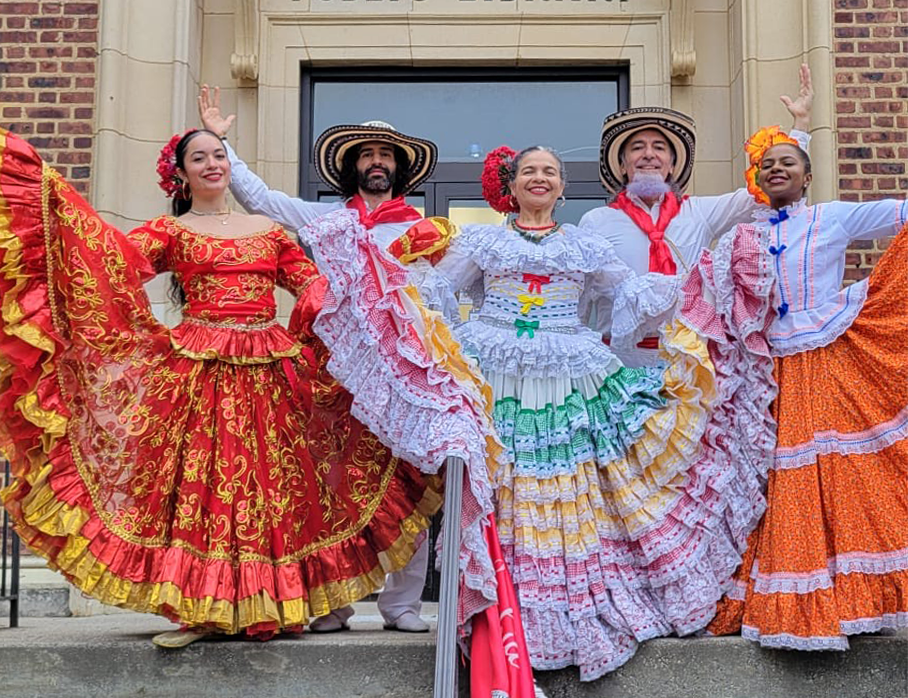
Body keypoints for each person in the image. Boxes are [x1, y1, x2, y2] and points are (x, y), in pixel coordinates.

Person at [0, 126, 507, 650]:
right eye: (200, 158)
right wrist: (52, 204)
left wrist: (376, 313)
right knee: (206, 487)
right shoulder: (171, 231)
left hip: (272, 367)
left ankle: (276, 603)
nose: (212, 164)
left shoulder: (268, 230)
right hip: (199, 370)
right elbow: (112, 266)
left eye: (218, 155)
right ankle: (204, 606)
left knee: (276, 491)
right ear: (182, 174)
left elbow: (313, 287)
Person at [414, 144, 771, 681]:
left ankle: (559, 618)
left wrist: (704, 281)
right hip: (495, 376)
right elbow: (439, 291)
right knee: (504, 494)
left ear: (562, 188)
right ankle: (500, 617)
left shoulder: (584, 244)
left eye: (549, 172)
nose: (539, 179)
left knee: (573, 496)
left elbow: (633, 290)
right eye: (529, 171)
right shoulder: (482, 240)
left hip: (570, 373)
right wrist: (414, 293)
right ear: (510, 186)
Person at [198, 87, 455, 632]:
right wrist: (222, 144)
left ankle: (402, 605)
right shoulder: (325, 219)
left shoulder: (423, 230)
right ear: (351, 167)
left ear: (400, 168)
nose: (377, 162)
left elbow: (442, 302)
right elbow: (262, 200)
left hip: (402, 373)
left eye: (385, 155)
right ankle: (333, 602)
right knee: (331, 483)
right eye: (367, 155)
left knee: (408, 482)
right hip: (334, 369)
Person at [678, 126, 908, 649]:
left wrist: (800, 126)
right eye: (768, 165)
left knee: (835, 473)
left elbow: (900, 213)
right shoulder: (742, 236)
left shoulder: (832, 217)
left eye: (788, 162)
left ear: (808, 176)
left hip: (826, 359)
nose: (777, 169)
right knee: (768, 478)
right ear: (757, 180)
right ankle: (775, 594)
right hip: (765, 372)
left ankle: (847, 599)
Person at [580, 65, 814, 367]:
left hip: (688, 363)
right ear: (623, 166)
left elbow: (766, 192)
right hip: (618, 365)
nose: (649, 154)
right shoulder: (596, 221)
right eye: (637, 148)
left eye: (659, 148)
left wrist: (800, 129)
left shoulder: (698, 212)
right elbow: (578, 296)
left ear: (671, 166)